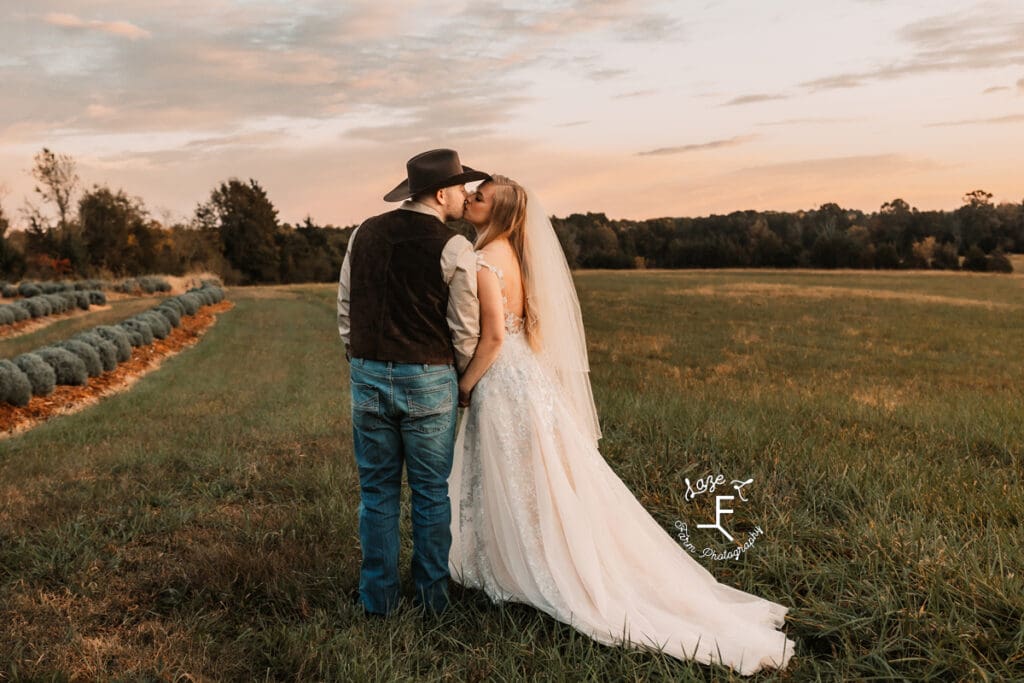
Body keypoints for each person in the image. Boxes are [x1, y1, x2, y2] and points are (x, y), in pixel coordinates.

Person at [448, 175, 796, 675]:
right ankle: (516, 559)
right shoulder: (516, 256)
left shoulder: (484, 262)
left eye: (479, 196)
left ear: (498, 212)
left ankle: (528, 568)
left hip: (504, 379)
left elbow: (495, 338)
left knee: (517, 475)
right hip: (530, 380)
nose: (471, 199)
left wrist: (465, 384)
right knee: (538, 476)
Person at [337, 148, 490, 616]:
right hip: (428, 379)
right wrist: (464, 381)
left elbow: (346, 305)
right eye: (461, 188)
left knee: (377, 491)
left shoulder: (364, 231)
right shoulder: (455, 247)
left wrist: (359, 356)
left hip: (367, 372)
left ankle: (377, 601)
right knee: (429, 493)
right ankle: (432, 601)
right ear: (441, 193)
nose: (466, 196)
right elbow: (465, 330)